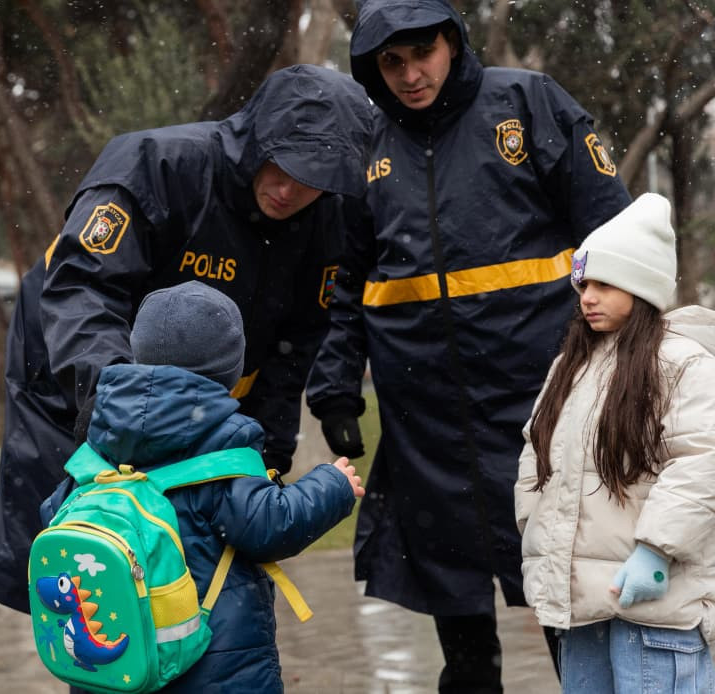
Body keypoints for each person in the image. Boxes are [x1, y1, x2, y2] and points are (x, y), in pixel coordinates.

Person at [305, 0, 633, 689]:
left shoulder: (529, 103)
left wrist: (630, 362)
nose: (409, 75)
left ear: (451, 40)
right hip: (425, 427)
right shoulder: (367, 147)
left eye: (421, 53)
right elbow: (344, 282)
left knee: (565, 609)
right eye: (389, 63)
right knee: (459, 630)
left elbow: (617, 241)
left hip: (543, 410)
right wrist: (335, 385)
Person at [0, 64, 373, 614]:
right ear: (256, 136)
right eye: (281, 165)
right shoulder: (155, 167)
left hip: (207, 400)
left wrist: (265, 463)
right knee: (93, 572)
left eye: (313, 177)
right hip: (77, 381)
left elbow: (293, 350)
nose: (289, 188)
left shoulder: (329, 220)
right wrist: (123, 417)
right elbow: (83, 294)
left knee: (195, 573)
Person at [43, 281, 364, 693]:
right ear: (230, 373)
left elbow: (54, 515)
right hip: (211, 667)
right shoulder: (222, 444)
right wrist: (332, 485)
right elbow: (270, 525)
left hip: (118, 667)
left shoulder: (101, 436)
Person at [515, 193, 715, 692]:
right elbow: (536, 456)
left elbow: (701, 462)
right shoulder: (572, 365)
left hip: (655, 610)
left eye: (604, 284)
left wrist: (655, 551)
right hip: (582, 608)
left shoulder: (682, 363)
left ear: (640, 284)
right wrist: (535, 533)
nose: (587, 296)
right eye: (583, 284)